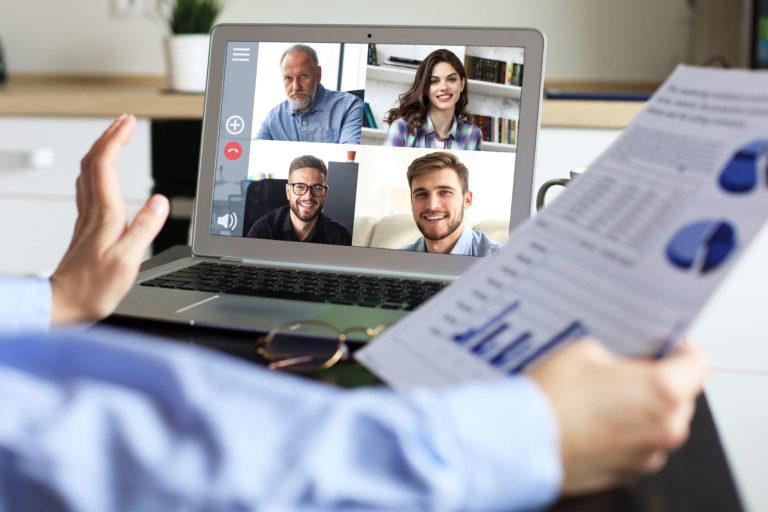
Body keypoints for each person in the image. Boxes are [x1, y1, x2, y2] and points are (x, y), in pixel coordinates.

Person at [0, 115, 710, 511]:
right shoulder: (276, 223)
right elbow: (103, 460)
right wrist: (524, 438)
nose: (432, 207)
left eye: (445, 195)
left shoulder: (445, 251)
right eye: (421, 195)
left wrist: (53, 300)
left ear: (465, 202)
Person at [255, 44, 363, 144]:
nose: (296, 87)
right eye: (288, 78)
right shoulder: (274, 118)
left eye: (303, 76)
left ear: (318, 75)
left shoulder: (349, 107)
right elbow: (253, 154)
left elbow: (351, 156)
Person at [401, 151, 500, 256]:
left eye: (445, 192)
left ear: (466, 200)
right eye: (421, 194)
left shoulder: (501, 259)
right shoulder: (396, 261)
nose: (432, 206)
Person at [383, 49, 484, 150]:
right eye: (434, 81)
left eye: (451, 79)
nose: (444, 87)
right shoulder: (402, 128)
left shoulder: (473, 134)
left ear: (462, 84)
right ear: (425, 88)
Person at [245, 155, 351, 245]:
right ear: (288, 192)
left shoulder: (339, 237)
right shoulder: (263, 230)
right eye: (300, 186)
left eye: (317, 188)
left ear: (325, 193)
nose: (308, 196)